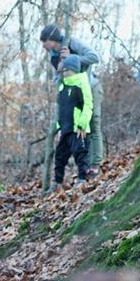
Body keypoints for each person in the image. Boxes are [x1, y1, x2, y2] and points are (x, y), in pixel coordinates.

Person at [40, 24, 104, 177]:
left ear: (52, 39)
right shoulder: (52, 55)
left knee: (93, 123)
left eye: (44, 41)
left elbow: (94, 57)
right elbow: (57, 76)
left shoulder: (71, 42)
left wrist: (72, 58)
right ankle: (85, 168)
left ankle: (96, 164)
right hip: (72, 94)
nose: (43, 45)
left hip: (90, 87)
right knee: (79, 129)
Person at [53, 55, 93, 189]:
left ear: (74, 70)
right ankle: (57, 182)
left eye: (67, 70)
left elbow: (88, 105)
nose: (64, 72)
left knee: (80, 154)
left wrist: (82, 124)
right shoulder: (62, 87)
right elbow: (61, 109)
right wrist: (59, 128)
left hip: (77, 129)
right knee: (59, 157)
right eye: (63, 70)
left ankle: (83, 179)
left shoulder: (81, 83)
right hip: (65, 128)